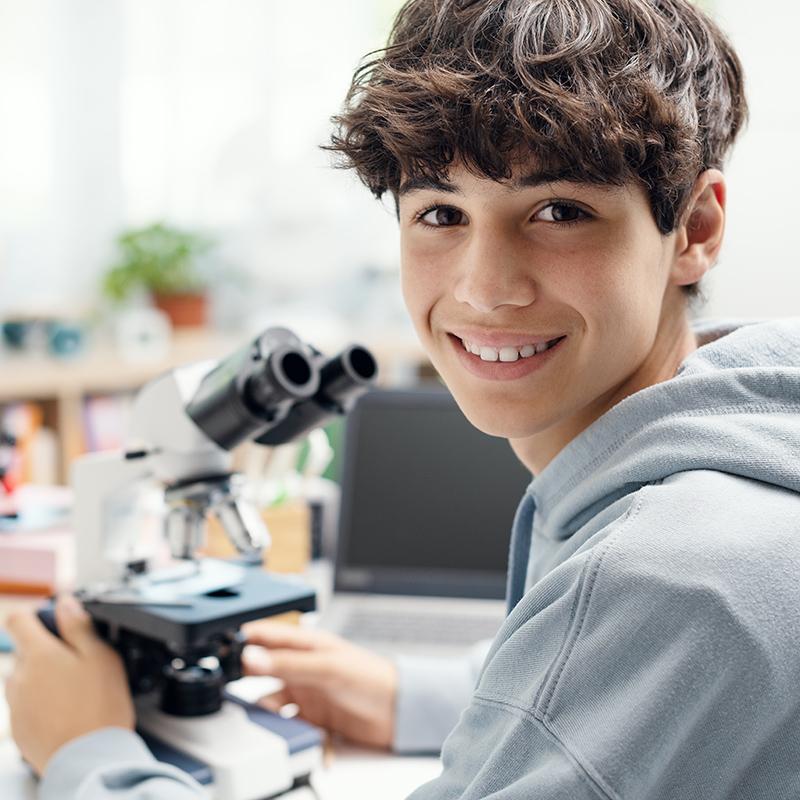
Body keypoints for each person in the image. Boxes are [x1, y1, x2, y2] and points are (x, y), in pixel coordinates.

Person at [6, 0, 800, 797]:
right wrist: (411, 696)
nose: (484, 289)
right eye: (440, 214)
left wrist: (90, 753)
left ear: (694, 228)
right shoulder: (738, 451)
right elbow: (610, 684)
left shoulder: (670, 574)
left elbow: (642, 630)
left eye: (560, 212)